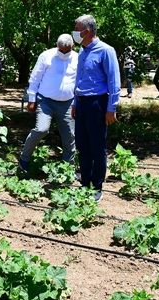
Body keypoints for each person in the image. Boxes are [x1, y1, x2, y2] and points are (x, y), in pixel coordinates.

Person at [71, 15, 121, 202]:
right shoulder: (82, 51)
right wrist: (75, 103)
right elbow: (79, 80)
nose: (75, 32)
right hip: (82, 103)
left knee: (97, 147)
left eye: (77, 28)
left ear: (87, 31)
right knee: (83, 146)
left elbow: (114, 82)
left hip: (97, 104)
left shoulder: (105, 51)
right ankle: (85, 183)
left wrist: (111, 108)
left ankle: (96, 186)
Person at [19, 34, 78, 173]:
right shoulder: (46, 56)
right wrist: (31, 100)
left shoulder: (78, 58)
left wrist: (76, 102)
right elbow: (35, 79)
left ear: (73, 46)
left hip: (67, 103)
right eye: (61, 50)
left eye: (67, 50)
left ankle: (69, 169)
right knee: (41, 129)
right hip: (46, 101)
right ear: (57, 45)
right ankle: (24, 159)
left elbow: (79, 81)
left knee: (69, 135)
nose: (63, 53)